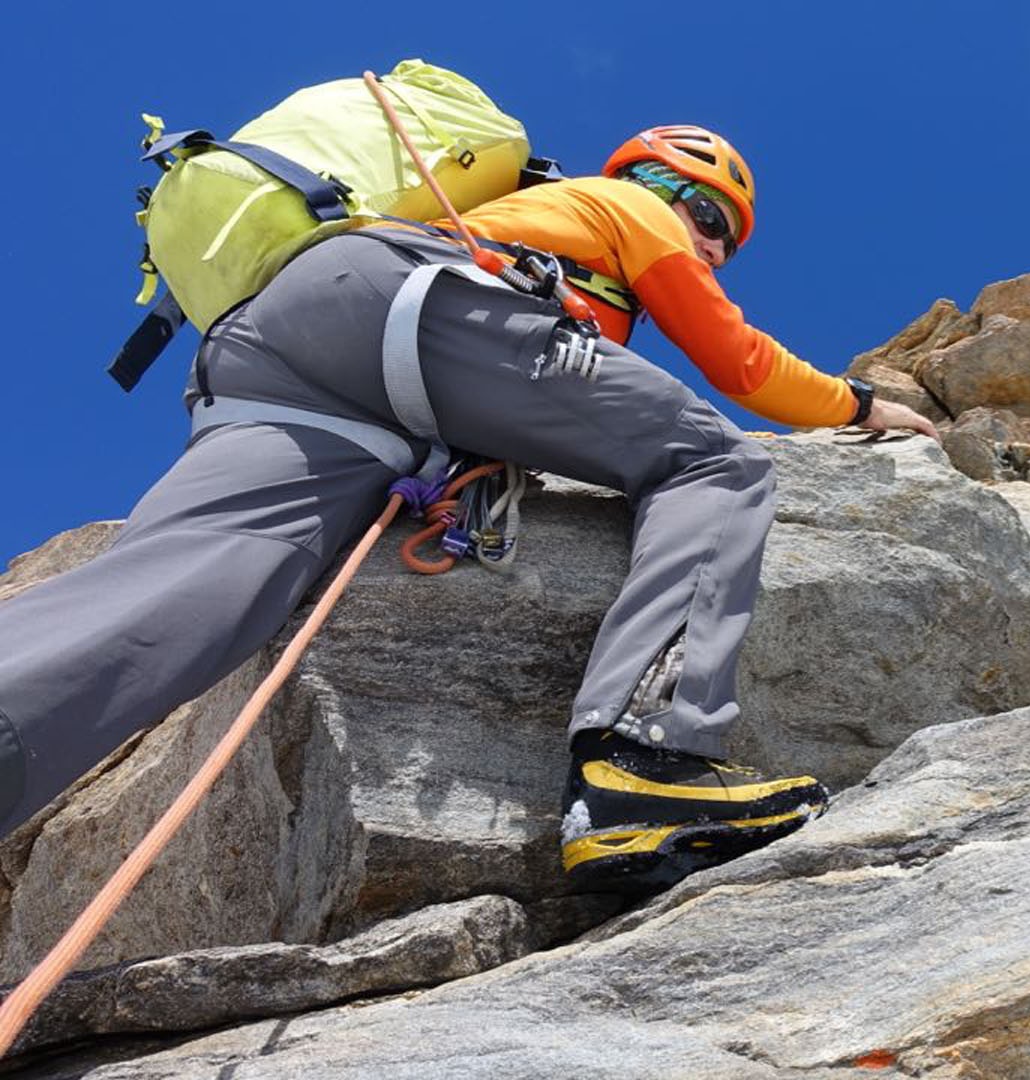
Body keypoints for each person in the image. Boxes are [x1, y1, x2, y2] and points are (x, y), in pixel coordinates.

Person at [0, 124, 940, 893]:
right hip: (418, 309)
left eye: (721, 237)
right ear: (650, 181)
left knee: (212, 576)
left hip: (285, 349)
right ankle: (650, 762)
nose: (706, 243)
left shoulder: (528, 219)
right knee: (713, 463)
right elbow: (739, 365)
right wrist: (863, 406)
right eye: (701, 213)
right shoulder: (622, 207)